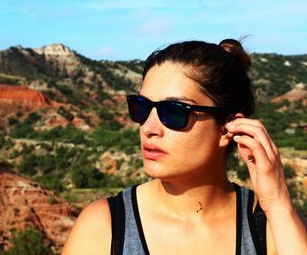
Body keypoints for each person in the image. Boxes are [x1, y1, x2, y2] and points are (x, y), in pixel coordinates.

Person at [62, 39, 307, 255]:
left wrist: (278, 204)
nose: (149, 127)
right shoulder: (104, 227)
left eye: (174, 112)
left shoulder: (270, 227)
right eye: (142, 108)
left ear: (227, 126)